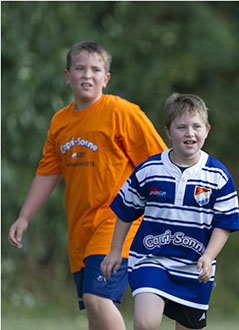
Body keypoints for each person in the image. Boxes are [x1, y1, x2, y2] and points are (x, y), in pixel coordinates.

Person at [7, 41, 167, 330]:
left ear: (106, 78)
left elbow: (160, 164)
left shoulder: (122, 112)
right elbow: (47, 173)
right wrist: (24, 216)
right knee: (95, 313)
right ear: (67, 75)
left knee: (97, 298)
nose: (87, 75)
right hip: (81, 229)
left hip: (118, 222)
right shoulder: (60, 122)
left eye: (95, 69)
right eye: (80, 68)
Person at [101, 93, 239, 330]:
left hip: (194, 269)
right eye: (181, 127)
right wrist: (115, 250)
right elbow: (125, 210)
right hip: (151, 259)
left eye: (196, 126)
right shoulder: (150, 169)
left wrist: (208, 256)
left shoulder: (218, 175)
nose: (189, 133)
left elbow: (224, 223)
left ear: (207, 130)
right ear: (168, 131)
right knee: (145, 324)